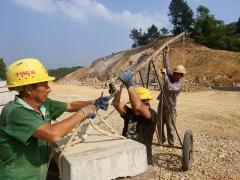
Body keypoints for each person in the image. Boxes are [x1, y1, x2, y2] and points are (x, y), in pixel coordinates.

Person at [0, 58, 109, 180]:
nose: (49, 89)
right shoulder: (14, 112)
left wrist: (93, 102)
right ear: (28, 89)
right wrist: (84, 112)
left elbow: (70, 106)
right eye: (45, 86)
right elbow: (52, 134)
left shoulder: (43, 104)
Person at [112, 70, 157, 165]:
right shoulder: (129, 113)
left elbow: (138, 107)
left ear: (147, 104)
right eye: (132, 104)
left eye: (138, 103)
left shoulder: (151, 115)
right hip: (127, 157)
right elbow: (116, 103)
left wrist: (128, 83)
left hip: (143, 160)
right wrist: (119, 87)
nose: (134, 107)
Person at [156, 45, 186, 146]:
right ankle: (161, 139)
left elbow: (169, 87)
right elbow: (166, 66)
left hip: (171, 107)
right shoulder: (169, 76)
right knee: (159, 124)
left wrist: (164, 76)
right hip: (162, 104)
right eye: (175, 73)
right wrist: (166, 54)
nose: (175, 75)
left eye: (178, 75)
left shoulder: (179, 85)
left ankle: (171, 144)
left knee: (170, 126)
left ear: (181, 76)